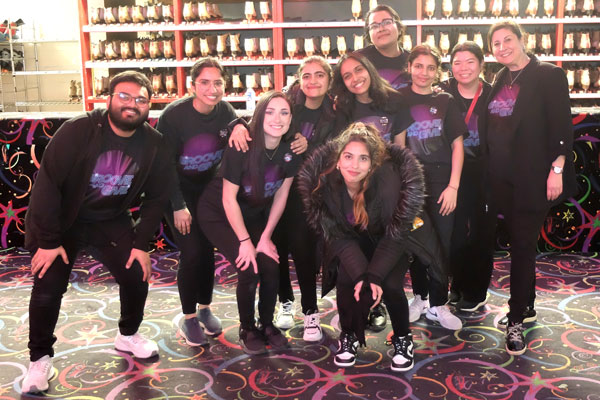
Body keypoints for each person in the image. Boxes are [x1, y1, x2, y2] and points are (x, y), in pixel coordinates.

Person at [21, 71, 172, 393]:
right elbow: (48, 184)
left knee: (136, 273)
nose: (132, 104)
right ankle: (39, 358)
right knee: (48, 285)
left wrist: (142, 244)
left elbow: (158, 197)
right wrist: (47, 242)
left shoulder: (154, 143)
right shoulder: (80, 130)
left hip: (109, 219)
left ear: (149, 106)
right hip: (63, 219)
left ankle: (127, 335)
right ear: (109, 98)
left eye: (141, 100)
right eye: (125, 96)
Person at [298, 122, 425, 371]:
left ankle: (403, 337)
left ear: (373, 163)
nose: (353, 165)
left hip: (389, 241)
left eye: (363, 159)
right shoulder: (327, 184)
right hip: (353, 242)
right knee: (347, 281)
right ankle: (349, 335)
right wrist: (360, 274)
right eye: (348, 156)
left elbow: (396, 233)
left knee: (388, 284)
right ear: (338, 158)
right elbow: (337, 236)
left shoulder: (387, 182)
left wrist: (374, 275)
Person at [484, 20, 575, 355]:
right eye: (496, 43)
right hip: (502, 179)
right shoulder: (500, 78)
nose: (503, 47)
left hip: (534, 179)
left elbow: (563, 127)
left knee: (521, 247)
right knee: (519, 243)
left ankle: (516, 319)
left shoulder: (548, 75)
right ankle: (529, 304)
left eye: (508, 39)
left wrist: (557, 169)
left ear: (523, 40)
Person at [228, 56, 335, 342]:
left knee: (304, 252)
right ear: (299, 79)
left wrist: (311, 145)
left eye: (319, 75)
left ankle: (310, 312)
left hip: (307, 193)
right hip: (273, 191)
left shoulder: (334, 112)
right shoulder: (288, 104)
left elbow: (338, 149)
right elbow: (258, 117)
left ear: (328, 80)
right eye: (307, 75)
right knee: (277, 249)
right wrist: (237, 123)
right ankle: (285, 302)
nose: (312, 81)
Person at [198, 91, 301, 355]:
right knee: (249, 266)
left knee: (270, 263)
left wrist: (266, 237)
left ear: (291, 119)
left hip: (253, 214)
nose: (277, 119)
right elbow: (228, 199)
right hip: (218, 212)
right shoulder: (241, 146)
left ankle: (266, 324)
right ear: (259, 115)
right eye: (270, 111)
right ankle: (247, 327)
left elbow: (281, 195)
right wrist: (245, 242)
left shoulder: (290, 150)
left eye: (284, 112)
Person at [331, 51, 414, 332]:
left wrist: (405, 188)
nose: (355, 78)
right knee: (361, 248)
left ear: (368, 68)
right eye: (347, 75)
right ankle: (369, 306)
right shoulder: (341, 108)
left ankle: (384, 306)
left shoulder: (395, 100)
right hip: (357, 188)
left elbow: (401, 148)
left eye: (358, 70)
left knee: (386, 248)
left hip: (389, 187)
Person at [157, 58, 236, 346]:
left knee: (207, 251)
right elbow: (163, 166)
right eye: (204, 82)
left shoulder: (225, 111)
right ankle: (189, 317)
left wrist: (240, 125)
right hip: (176, 191)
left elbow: (235, 135)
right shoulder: (174, 116)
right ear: (192, 86)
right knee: (191, 253)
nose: (211, 89)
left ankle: (205, 309)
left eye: (217, 82)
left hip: (206, 191)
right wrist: (178, 205)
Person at [395, 44, 467, 331]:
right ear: (409, 68)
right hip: (413, 181)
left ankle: (438, 303)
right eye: (418, 66)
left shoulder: (447, 100)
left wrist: (454, 186)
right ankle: (420, 298)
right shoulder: (398, 99)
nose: (424, 72)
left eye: (430, 67)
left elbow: (457, 146)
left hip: (442, 182)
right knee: (416, 244)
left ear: (438, 71)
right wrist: (403, 185)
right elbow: (397, 145)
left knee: (442, 242)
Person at [439, 42, 492, 311]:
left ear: (481, 64)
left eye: (470, 61)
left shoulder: (492, 95)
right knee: (455, 233)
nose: (463, 68)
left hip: (484, 172)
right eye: (457, 62)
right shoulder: (443, 92)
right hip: (452, 171)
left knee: (480, 233)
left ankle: (476, 289)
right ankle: (457, 284)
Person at [358, 4, 410, 90]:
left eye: (387, 22)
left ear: (399, 28)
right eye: (374, 26)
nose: (381, 29)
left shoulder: (412, 60)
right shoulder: (358, 60)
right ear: (369, 35)